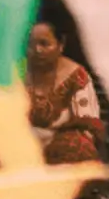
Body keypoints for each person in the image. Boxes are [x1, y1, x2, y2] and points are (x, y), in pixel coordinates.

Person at [25, 18, 102, 162]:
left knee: (78, 146)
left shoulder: (76, 76)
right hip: (18, 142)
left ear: (61, 45)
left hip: (60, 143)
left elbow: (88, 126)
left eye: (44, 44)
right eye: (31, 45)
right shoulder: (15, 72)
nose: (37, 50)